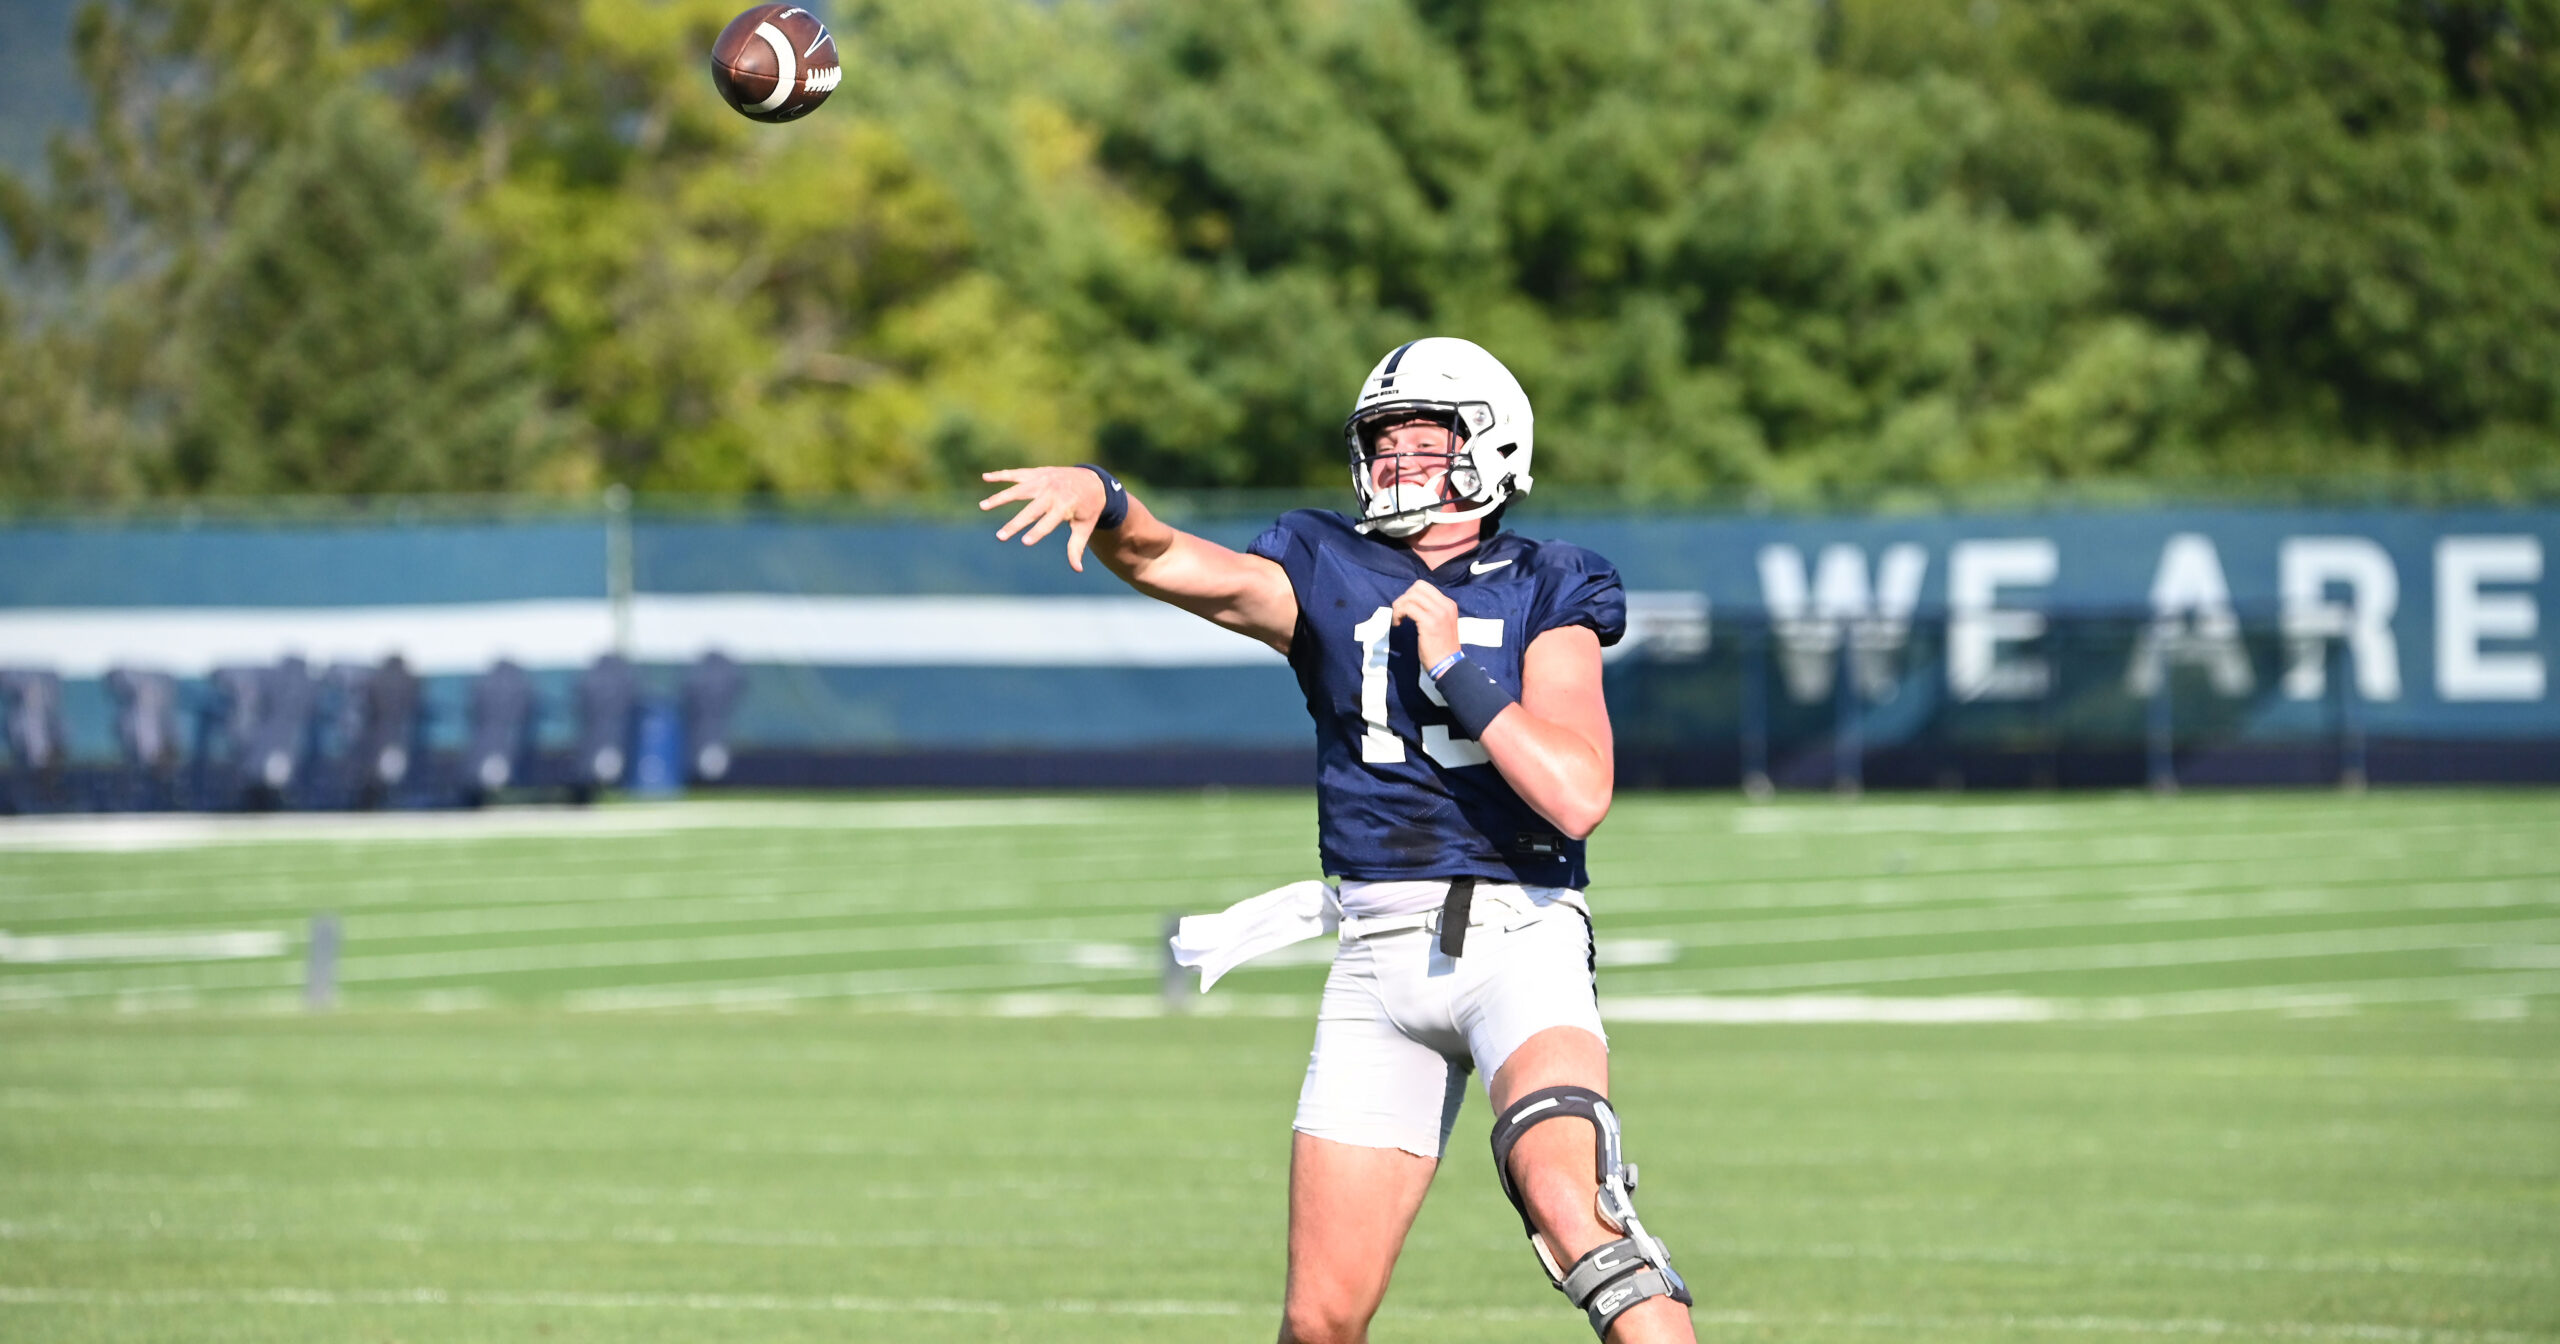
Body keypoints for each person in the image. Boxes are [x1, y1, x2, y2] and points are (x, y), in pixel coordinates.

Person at [980, 337, 1696, 1344]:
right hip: (1375, 955)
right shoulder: (1324, 561)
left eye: (1421, 441)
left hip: (1516, 938)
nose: (1395, 462)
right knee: (1319, 1321)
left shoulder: (1550, 581)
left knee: (1570, 1209)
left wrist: (1458, 668)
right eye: (1383, 443)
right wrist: (1106, 499)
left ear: (1489, 448)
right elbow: (1177, 560)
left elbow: (1577, 793)